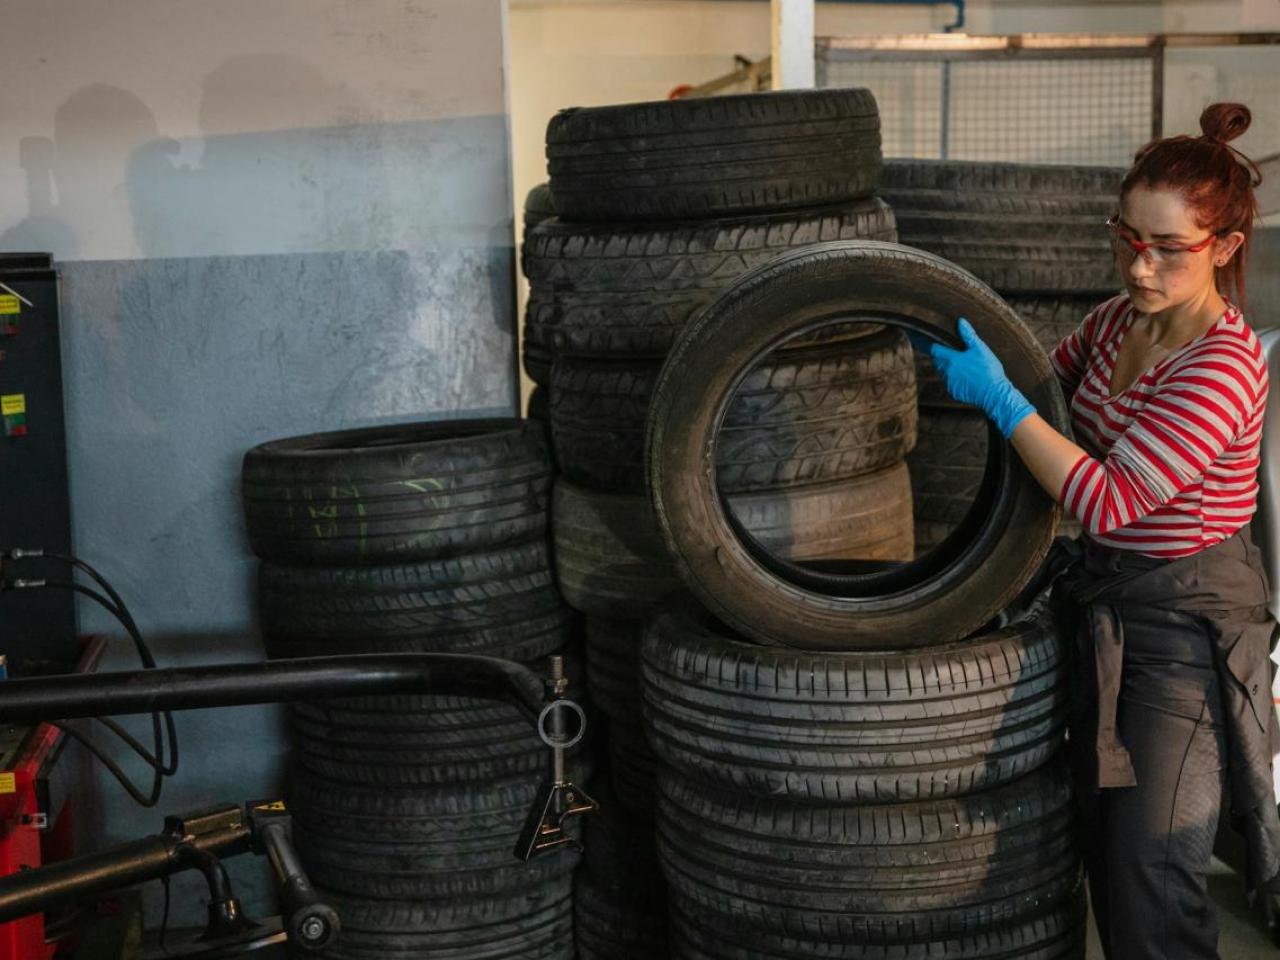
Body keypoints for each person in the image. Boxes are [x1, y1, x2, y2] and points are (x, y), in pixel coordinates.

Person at [922, 101, 1280, 959]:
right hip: (1110, 601)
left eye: (1168, 248)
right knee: (1105, 853)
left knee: (1152, 871)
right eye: (1128, 238)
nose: (1141, 265)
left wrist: (1000, 400)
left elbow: (1107, 499)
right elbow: (1054, 385)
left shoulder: (1223, 368)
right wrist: (993, 362)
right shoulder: (1120, 319)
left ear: (1224, 248)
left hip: (1185, 633)